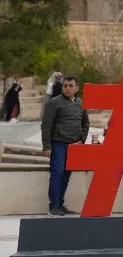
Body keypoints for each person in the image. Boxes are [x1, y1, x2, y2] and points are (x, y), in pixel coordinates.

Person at [40, 75, 89, 216]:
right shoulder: (54, 103)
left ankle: (60, 205)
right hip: (58, 143)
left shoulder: (81, 103)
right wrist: (47, 146)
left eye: (70, 86)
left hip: (74, 145)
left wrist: (82, 140)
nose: (67, 88)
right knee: (57, 173)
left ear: (77, 88)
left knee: (66, 175)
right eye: (65, 85)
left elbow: (85, 123)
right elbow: (46, 125)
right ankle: (53, 206)